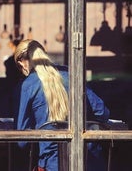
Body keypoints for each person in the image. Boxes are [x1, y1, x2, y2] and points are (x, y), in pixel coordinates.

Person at [12, 39, 110, 171]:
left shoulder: (27, 86)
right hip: (90, 161)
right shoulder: (70, 74)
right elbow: (102, 112)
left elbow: (22, 141)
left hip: (53, 164)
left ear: (21, 62)